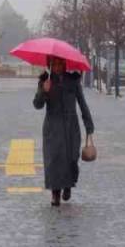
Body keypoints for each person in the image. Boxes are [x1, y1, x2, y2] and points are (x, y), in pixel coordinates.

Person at [32, 57, 95, 207]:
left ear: (65, 65)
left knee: (72, 158)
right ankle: (55, 194)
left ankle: (68, 185)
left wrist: (89, 126)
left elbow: (82, 103)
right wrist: (43, 91)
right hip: (52, 127)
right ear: (50, 65)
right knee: (53, 160)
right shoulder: (45, 81)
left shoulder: (73, 81)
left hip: (71, 126)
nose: (58, 67)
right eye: (54, 64)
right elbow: (37, 105)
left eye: (60, 64)